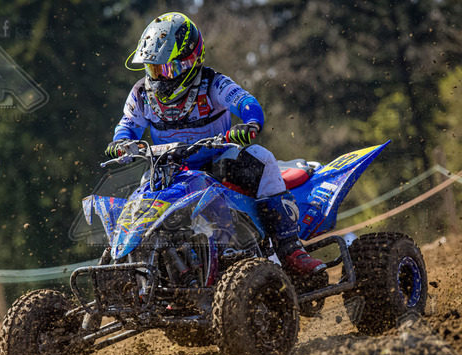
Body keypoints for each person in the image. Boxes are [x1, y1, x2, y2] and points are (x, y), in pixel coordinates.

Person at [107, 12, 325, 276]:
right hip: (169, 169)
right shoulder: (141, 94)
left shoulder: (213, 83)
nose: (160, 78)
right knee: (141, 195)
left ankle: (291, 250)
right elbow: (128, 125)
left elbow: (246, 102)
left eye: (167, 69)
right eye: (154, 69)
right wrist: (121, 142)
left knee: (263, 158)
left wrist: (250, 124)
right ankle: (142, 269)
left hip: (218, 160)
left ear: (190, 62)